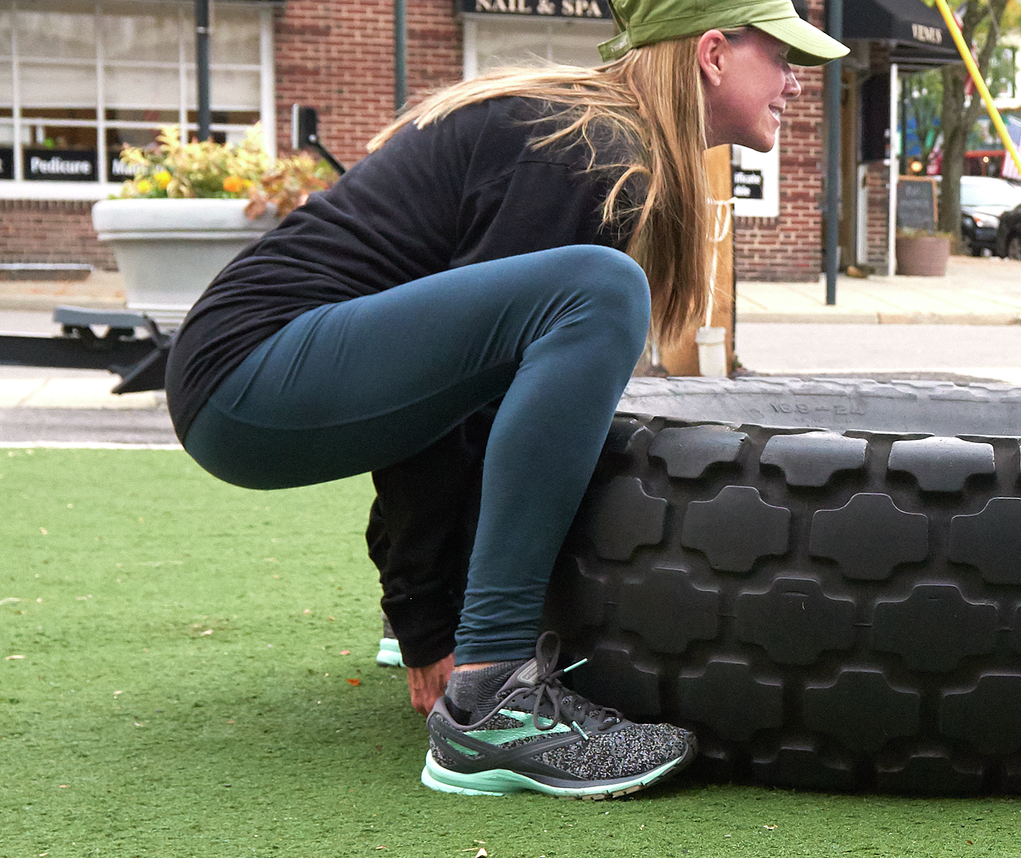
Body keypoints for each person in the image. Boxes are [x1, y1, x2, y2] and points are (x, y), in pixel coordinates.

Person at [162, 0, 847, 797]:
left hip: (263, 378)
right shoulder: (585, 148)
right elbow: (457, 417)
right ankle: (492, 699)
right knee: (600, 291)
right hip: (251, 374)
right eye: (782, 57)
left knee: (585, 310)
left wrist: (426, 605)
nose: (799, 83)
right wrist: (426, 620)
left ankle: (471, 647)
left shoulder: (597, 136)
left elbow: (448, 394)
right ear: (714, 54)